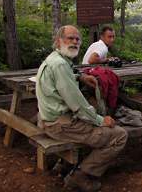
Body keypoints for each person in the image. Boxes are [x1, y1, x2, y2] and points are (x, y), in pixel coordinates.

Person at [36, 25, 127, 192]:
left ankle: (64, 165)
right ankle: (80, 176)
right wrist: (101, 120)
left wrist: (81, 76)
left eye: (77, 39)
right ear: (58, 41)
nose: (75, 41)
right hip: (59, 124)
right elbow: (77, 105)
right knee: (119, 135)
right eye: (70, 38)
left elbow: (68, 74)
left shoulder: (57, 59)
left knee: (91, 118)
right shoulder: (60, 65)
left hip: (48, 118)